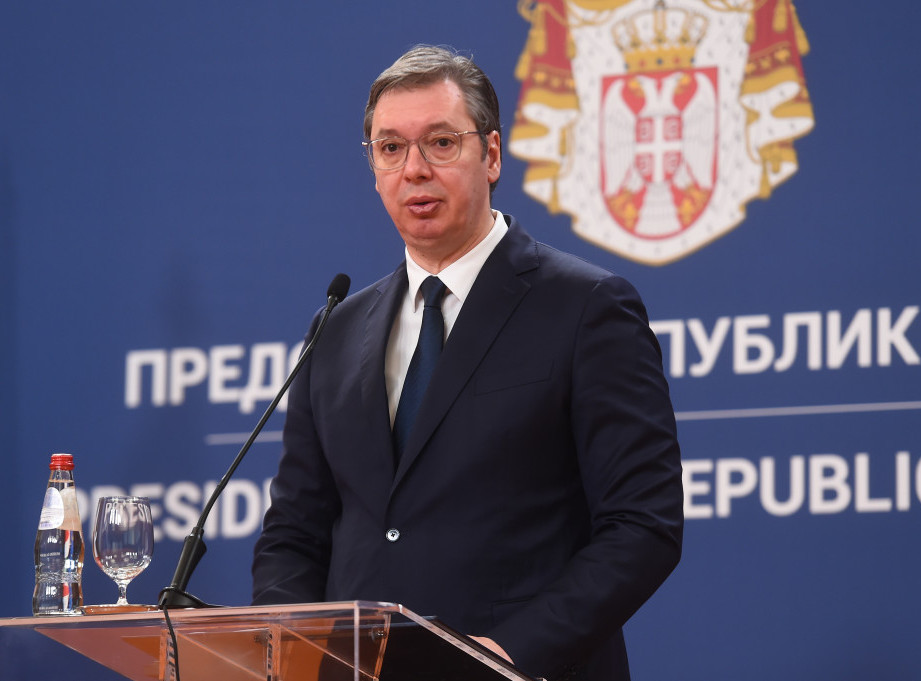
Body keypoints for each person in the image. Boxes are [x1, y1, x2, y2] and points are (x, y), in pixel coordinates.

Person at [252, 45, 683, 681]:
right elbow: (294, 532)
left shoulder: (586, 307)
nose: (414, 169)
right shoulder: (336, 330)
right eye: (390, 148)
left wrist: (506, 654)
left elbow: (643, 524)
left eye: (441, 143)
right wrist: (295, 651)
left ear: (493, 155)